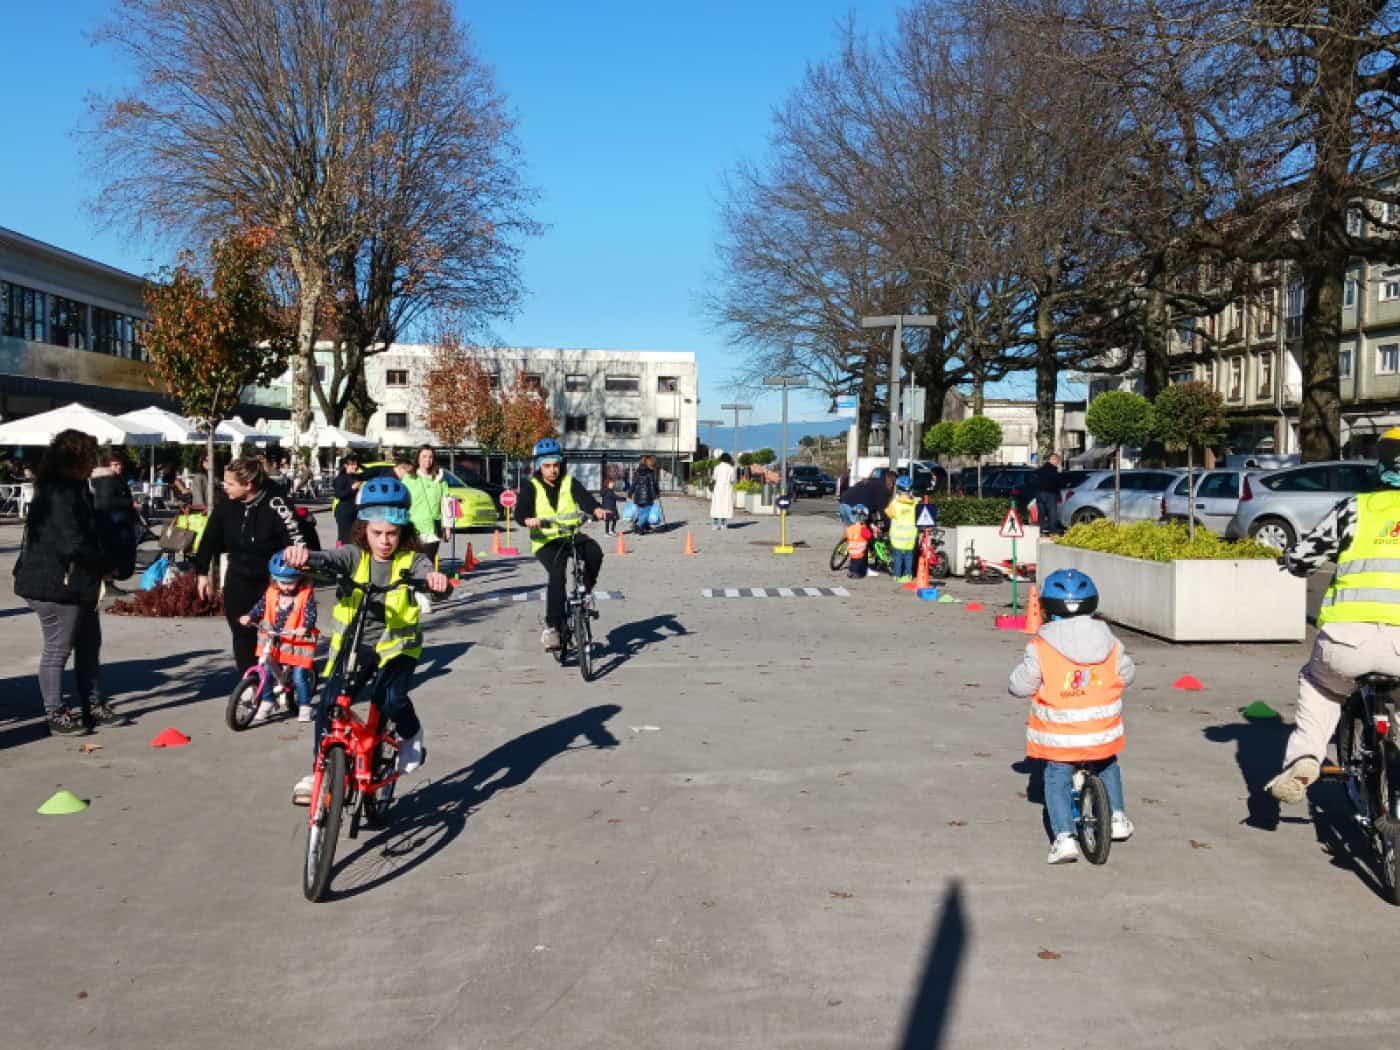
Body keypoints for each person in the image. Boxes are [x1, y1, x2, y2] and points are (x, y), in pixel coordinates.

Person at [283, 476, 449, 803]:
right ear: (364, 530)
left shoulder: (412, 559)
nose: (384, 541)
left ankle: (411, 735)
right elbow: (328, 560)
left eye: (392, 533)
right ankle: (322, 769)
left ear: (403, 531)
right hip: (356, 642)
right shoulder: (354, 555)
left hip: (398, 646)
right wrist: (304, 557)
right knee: (330, 704)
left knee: (391, 700)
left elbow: (428, 574)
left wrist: (436, 581)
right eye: (377, 533)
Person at [1267, 427, 1400, 803]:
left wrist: (1291, 561)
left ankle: (1305, 759)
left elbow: (1306, 557)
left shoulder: (1355, 509)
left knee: (1320, 688)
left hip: (1347, 642)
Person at [1009, 569, 1136, 864]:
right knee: (1107, 763)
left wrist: (1016, 685)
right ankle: (1116, 817)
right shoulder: (1110, 642)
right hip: (1101, 730)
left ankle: (1064, 838)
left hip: (1059, 734)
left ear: (1048, 606)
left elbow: (1021, 684)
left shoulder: (1040, 646)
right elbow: (1127, 674)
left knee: (1056, 775)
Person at [14, 429, 126, 734]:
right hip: (55, 582)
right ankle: (56, 712)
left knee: (89, 644)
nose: (95, 463)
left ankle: (94, 703)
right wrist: (104, 562)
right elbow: (71, 541)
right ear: (75, 458)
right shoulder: (59, 492)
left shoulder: (73, 487)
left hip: (78, 581)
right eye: (90, 457)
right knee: (58, 648)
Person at [194, 457, 306, 673]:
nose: (224, 487)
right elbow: (209, 538)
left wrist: (296, 569)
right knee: (241, 629)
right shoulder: (226, 505)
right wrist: (201, 572)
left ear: (248, 485)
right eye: (224, 482)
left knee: (275, 632)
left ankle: (283, 674)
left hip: (272, 579)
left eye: (230, 484)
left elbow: (296, 539)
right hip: (238, 576)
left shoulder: (277, 504)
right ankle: (250, 681)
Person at [515, 438, 610, 650]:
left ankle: (586, 593)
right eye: (547, 466)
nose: (552, 470)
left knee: (595, 552)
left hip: (570, 535)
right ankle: (552, 628)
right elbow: (520, 513)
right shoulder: (532, 487)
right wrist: (528, 520)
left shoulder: (569, 482)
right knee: (557, 573)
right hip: (546, 541)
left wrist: (596, 510)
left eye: (556, 465)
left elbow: (585, 499)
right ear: (539, 466)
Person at [238, 551, 319, 724]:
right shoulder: (271, 593)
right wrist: (250, 617)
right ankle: (268, 701)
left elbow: (311, 614)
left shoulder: (305, 595)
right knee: (265, 670)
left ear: (300, 579)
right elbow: (260, 607)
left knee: (298, 677)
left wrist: (305, 627)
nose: (287, 587)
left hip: (298, 642)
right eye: (282, 582)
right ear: (274, 579)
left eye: (291, 583)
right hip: (274, 639)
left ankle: (305, 706)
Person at [90, 448, 139, 583]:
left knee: (113, 555)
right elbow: (107, 502)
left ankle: (109, 579)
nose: (119, 467)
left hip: (113, 522)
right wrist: (129, 503)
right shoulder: (108, 480)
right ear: (108, 466)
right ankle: (110, 579)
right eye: (115, 464)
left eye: (120, 464)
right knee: (117, 555)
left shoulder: (110, 479)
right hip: (115, 523)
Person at [400, 444, 450, 564]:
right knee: (412, 564)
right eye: (424, 456)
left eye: (431, 457)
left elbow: (446, 505)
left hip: (433, 530)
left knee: (427, 564)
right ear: (418, 458)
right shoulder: (409, 478)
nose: (428, 460)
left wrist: (447, 528)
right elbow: (402, 503)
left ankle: (425, 582)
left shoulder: (441, 480)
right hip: (413, 529)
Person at [887, 475, 919, 582]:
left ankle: (897, 575)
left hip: (897, 537)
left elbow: (889, 514)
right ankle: (909, 575)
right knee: (909, 556)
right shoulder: (915, 503)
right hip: (910, 536)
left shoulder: (895, 503)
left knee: (898, 557)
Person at [331, 453, 363, 546]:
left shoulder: (356, 477)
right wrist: (352, 488)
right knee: (343, 536)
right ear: (346, 466)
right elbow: (339, 494)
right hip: (344, 511)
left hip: (355, 510)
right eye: (352, 464)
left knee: (354, 536)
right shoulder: (340, 478)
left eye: (356, 464)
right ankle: (340, 555)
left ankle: (351, 555)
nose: (355, 466)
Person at [630, 454, 659, 535]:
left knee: (642, 512)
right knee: (647, 513)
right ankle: (638, 526)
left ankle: (643, 526)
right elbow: (652, 484)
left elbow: (634, 483)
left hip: (638, 496)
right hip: (647, 496)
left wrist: (630, 493)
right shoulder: (650, 472)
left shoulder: (637, 471)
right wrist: (656, 495)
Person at [1034, 453, 1062, 533]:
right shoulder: (1053, 471)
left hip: (1039, 494)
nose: (1058, 463)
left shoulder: (1040, 470)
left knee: (1041, 513)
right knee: (1052, 513)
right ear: (1053, 460)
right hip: (1050, 493)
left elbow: (1034, 481)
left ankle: (1040, 530)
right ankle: (1052, 531)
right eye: (1057, 461)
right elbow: (1059, 483)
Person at [710, 452, 736, 530]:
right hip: (727, 489)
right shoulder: (731, 468)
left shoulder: (717, 467)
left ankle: (715, 524)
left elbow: (714, 478)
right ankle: (723, 524)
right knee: (725, 505)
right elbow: (733, 480)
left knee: (716, 505)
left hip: (718, 488)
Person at [845, 505, 872, 580]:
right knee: (859, 563)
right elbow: (869, 536)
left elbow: (847, 537)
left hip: (852, 551)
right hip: (860, 552)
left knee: (853, 562)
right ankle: (856, 574)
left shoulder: (849, 528)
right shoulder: (863, 529)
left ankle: (850, 572)